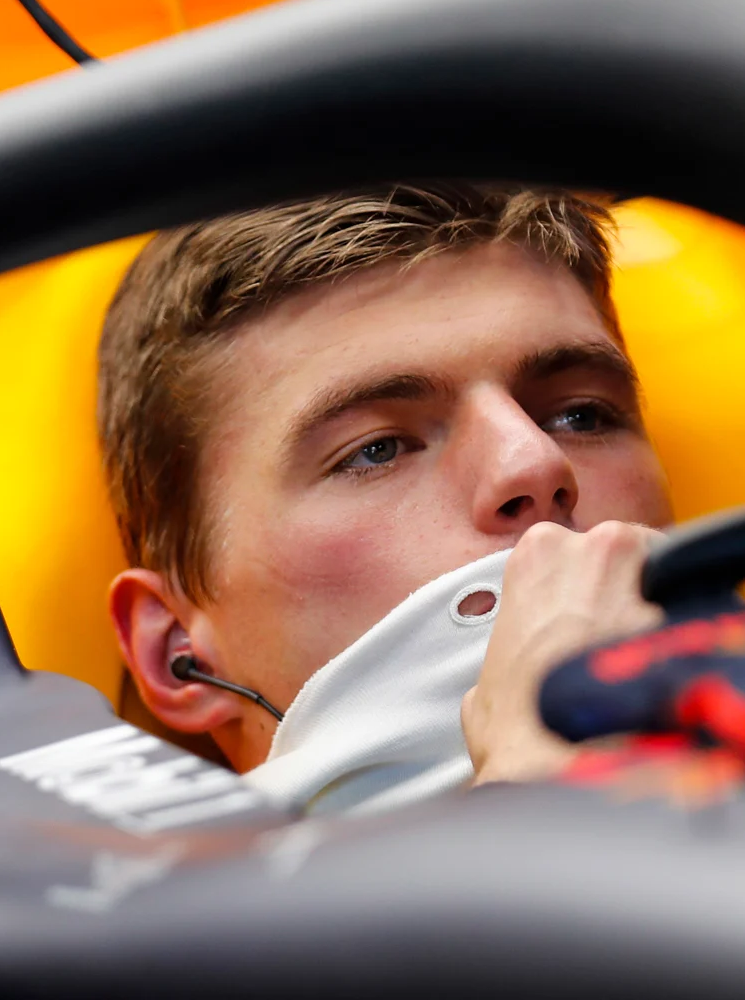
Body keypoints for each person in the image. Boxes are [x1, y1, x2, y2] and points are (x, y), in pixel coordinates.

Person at [97, 183, 673, 814]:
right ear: (177, 650)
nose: (534, 462)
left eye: (582, 416)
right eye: (377, 450)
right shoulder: (80, 910)